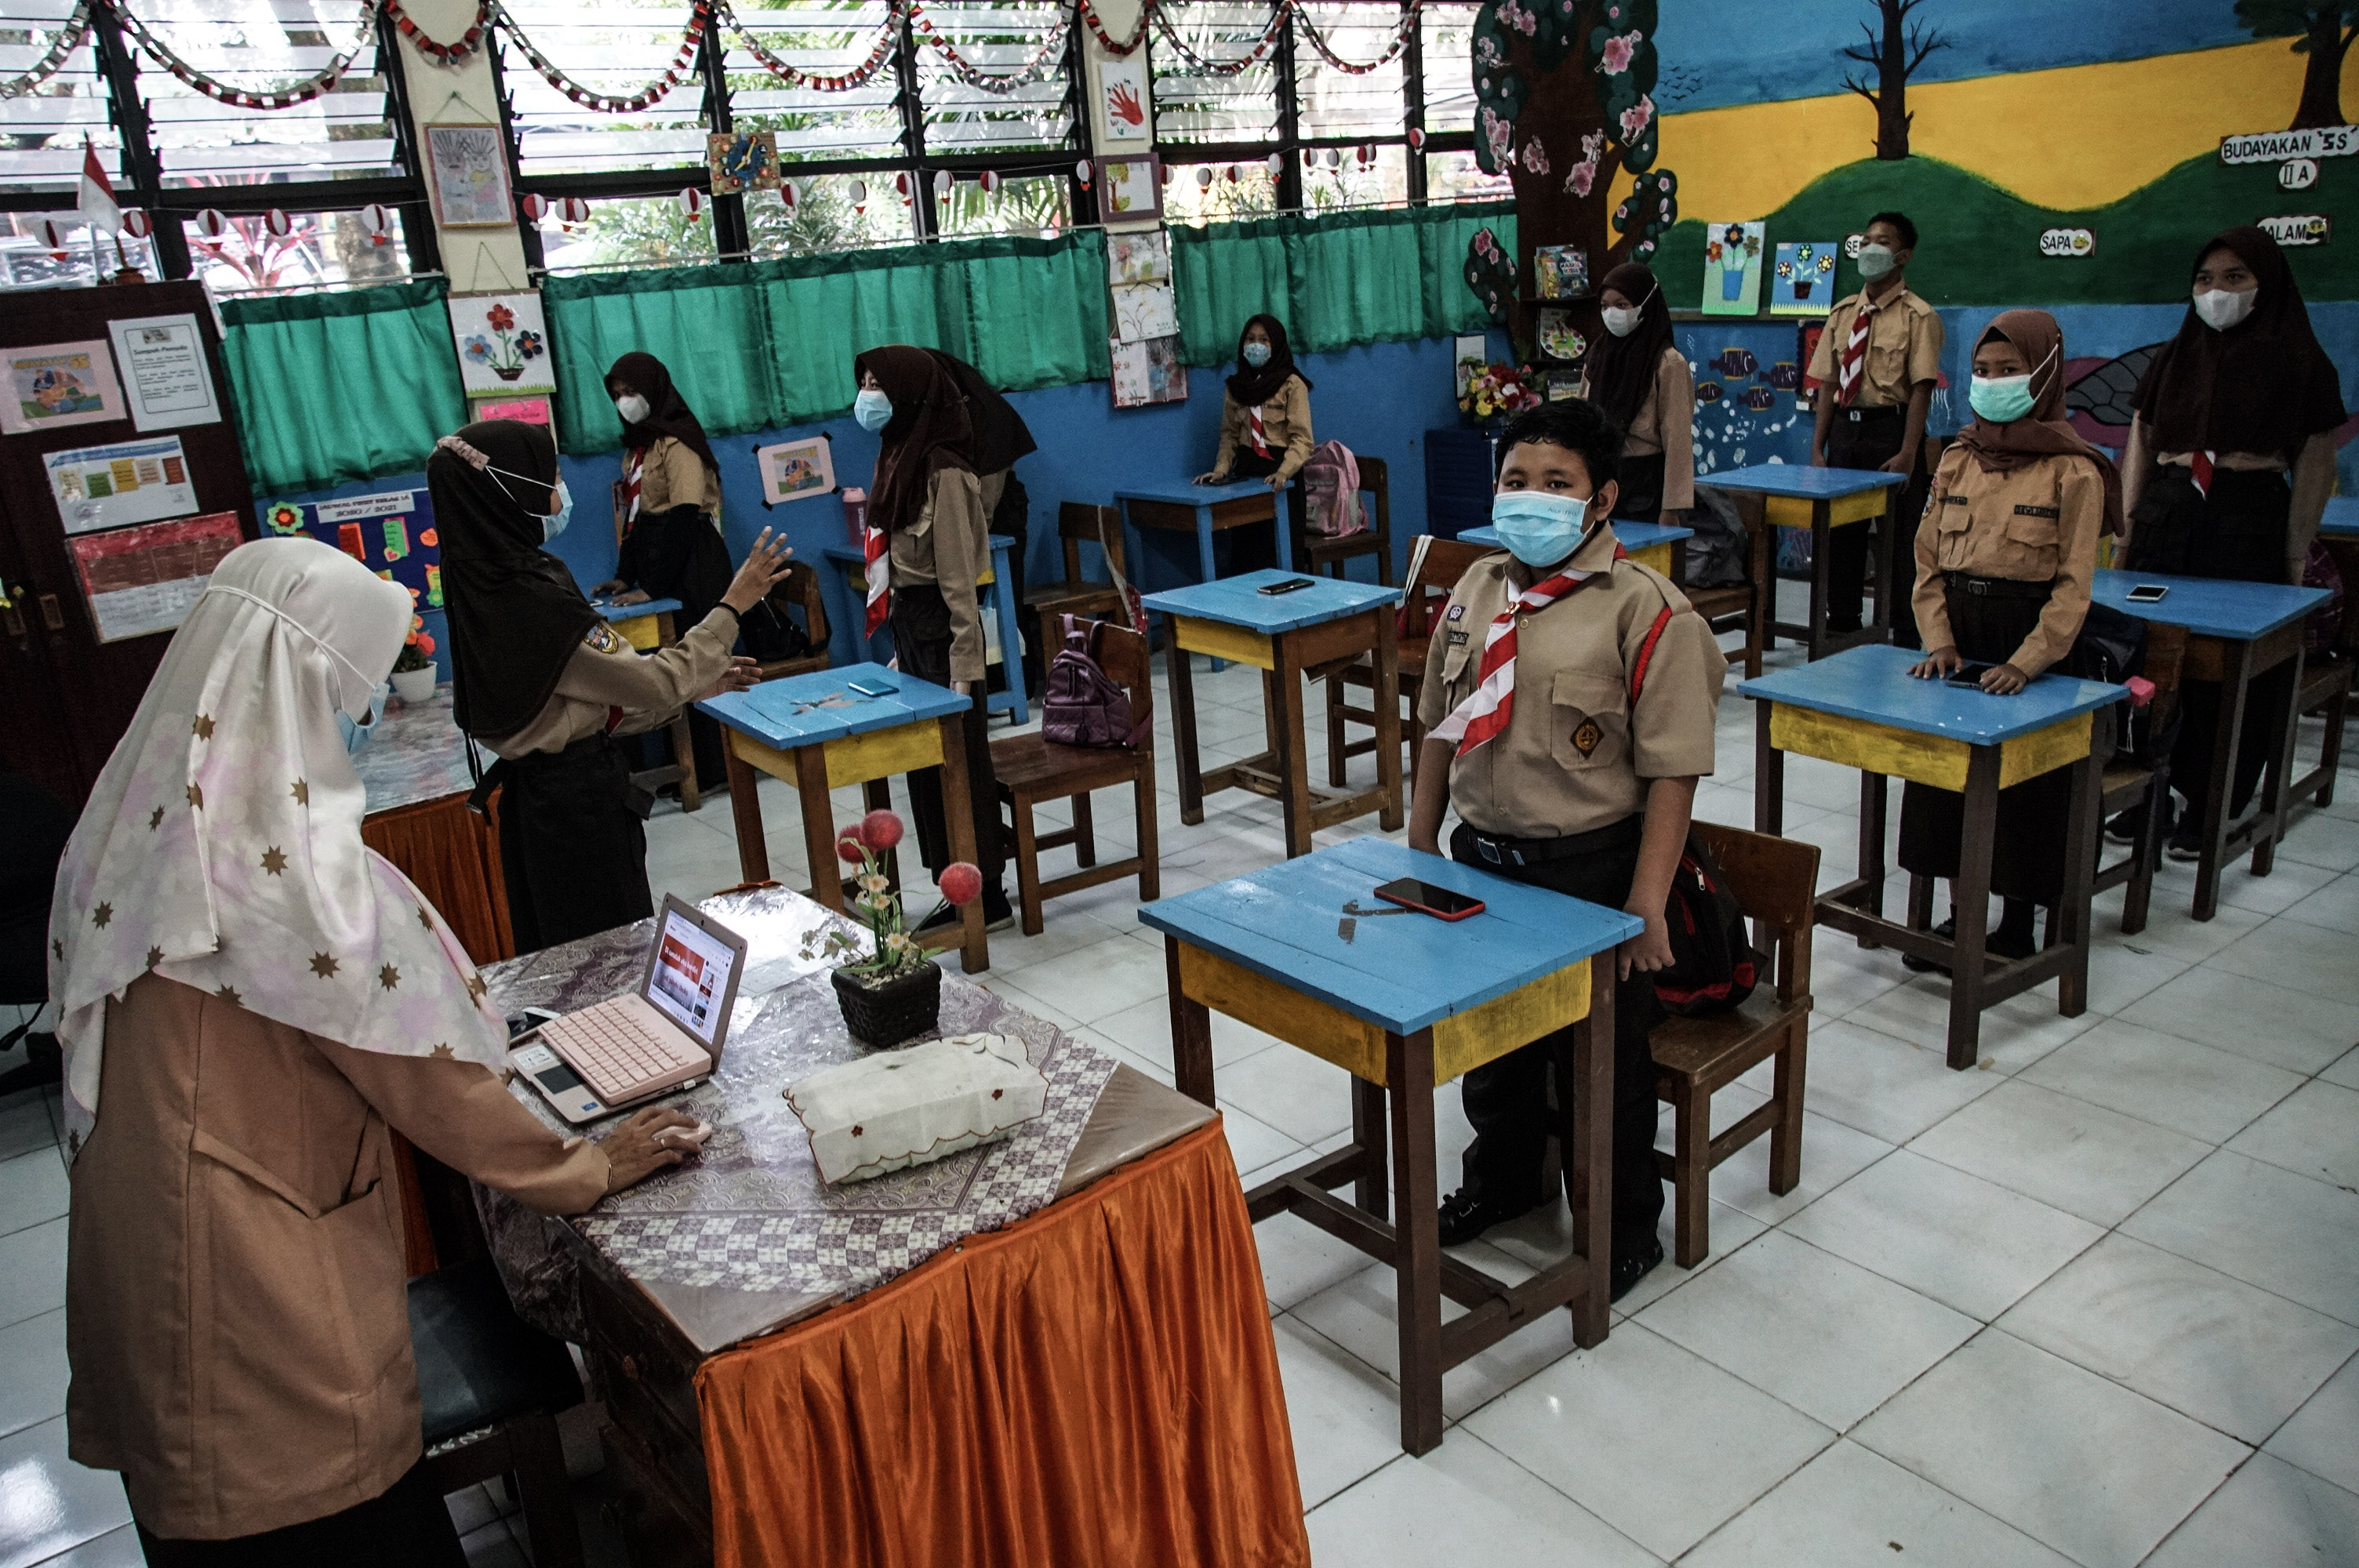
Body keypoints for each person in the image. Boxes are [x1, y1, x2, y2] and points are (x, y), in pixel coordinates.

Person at [51, 536, 703, 1565]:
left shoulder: (136, 823)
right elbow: (437, 1088)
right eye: (366, 688)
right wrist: (582, 1167)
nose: (372, 715)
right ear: (314, 684)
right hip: (258, 1307)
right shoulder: (296, 881)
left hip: (150, 1262)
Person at [1406, 398, 1725, 1299]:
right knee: (1491, 1045)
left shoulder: (1646, 610)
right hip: (1480, 861)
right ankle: (1503, 1183)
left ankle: (1624, 1226)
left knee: (1601, 1068)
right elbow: (1438, 720)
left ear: (1601, 500)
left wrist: (1647, 901)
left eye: (1557, 485)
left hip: (1589, 871)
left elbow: (1672, 772)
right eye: (1515, 481)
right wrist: (1421, 835)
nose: (1530, 498)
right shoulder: (1475, 588)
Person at [430, 419, 788, 953]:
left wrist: (690, 689)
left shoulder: (476, 579)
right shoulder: (533, 600)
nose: (560, 491)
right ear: (514, 490)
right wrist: (733, 603)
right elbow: (654, 681)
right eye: (550, 478)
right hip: (577, 813)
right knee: (608, 958)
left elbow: (568, 702)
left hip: (533, 807)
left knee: (563, 956)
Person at [2117, 225, 2346, 859]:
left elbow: (2316, 460)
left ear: (2265, 286)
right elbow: (2140, 440)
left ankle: (2214, 801)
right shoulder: (2174, 355)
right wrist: (2126, 528)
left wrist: (2296, 554)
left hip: (2247, 519)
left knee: (2228, 671)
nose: (2217, 293)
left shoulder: (2299, 360)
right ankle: (2149, 792)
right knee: (2153, 659)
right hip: (2168, 516)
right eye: (2205, 280)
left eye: (2235, 279)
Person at [1899, 310, 2118, 967]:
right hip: (1961, 636)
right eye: (1984, 372)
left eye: (2010, 372)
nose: (1993, 383)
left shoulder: (2074, 471)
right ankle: (1962, 920)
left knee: (2025, 796)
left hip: (2033, 644)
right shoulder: (1960, 458)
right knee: (1946, 785)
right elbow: (1927, 559)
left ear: (2044, 374)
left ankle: (2017, 923)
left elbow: (2075, 585)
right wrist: (1937, 639)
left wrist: (2027, 664)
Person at [854, 345, 1015, 930]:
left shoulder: (945, 470)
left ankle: (984, 891)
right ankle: (949, 880)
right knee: (923, 767)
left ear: (911, 393)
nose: (868, 394)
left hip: (945, 631)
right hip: (913, 627)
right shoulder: (899, 455)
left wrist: (964, 668)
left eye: (879, 383)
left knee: (958, 766)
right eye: (864, 382)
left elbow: (958, 581)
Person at [594, 351, 736, 789]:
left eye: (632, 392)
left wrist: (650, 588)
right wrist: (626, 576)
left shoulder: (679, 442)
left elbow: (682, 517)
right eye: (617, 395)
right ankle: (692, 769)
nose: (625, 402)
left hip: (694, 561)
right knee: (673, 670)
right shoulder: (641, 448)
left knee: (702, 662)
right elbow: (638, 520)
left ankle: (716, 770)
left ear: (654, 390)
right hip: (664, 560)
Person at [1808, 212, 1943, 645]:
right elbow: (1829, 382)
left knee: (1901, 540)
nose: (1870, 249)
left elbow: (1921, 389)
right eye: (1865, 240)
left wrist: (1909, 452)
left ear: (1902, 256)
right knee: (1840, 535)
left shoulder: (1918, 316)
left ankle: (1905, 628)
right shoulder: (1843, 313)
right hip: (1847, 432)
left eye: (1881, 242)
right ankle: (1843, 622)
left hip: (1893, 431)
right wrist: (1818, 447)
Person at [1194, 314, 1314, 573]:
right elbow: (1229, 434)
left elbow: (1303, 439)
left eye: (1263, 340)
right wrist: (1221, 470)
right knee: (1249, 554)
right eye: (1250, 339)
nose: (1255, 345)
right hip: (1247, 474)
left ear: (1277, 344)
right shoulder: (1237, 386)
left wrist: (1284, 472)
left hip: (1282, 475)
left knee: (1281, 554)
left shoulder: (1292, 384)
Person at [1578, 261, 1694, 526]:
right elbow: (1582, 420)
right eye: (1605, 306)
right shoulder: (1597, 358)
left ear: (1646, 305)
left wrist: (1672, 508)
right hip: (1600, 481)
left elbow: (1678, 440)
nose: (1612, 314)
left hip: (1646, 488)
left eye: (1622, 305)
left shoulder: (1668, 363)